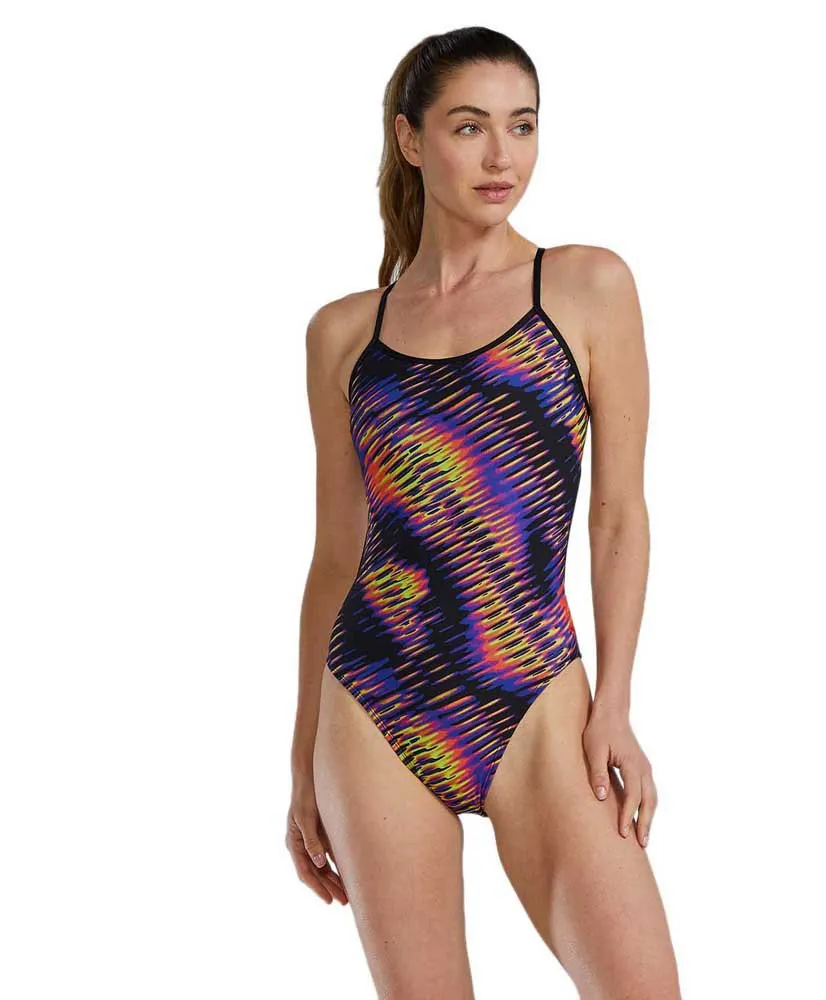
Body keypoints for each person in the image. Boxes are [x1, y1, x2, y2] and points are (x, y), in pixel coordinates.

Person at [287, 25, 682, 1000]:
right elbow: (336, 554)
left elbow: (619, 515)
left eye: (523, 125)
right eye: (469, 127)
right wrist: (302, 761)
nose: (502, 155)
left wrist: (615, 703)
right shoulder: (345, 334)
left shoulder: (585, 286)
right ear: (411, 139)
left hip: (535, 689)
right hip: (373, 700)